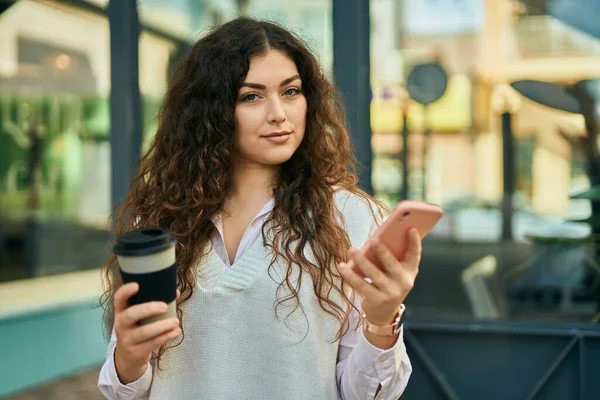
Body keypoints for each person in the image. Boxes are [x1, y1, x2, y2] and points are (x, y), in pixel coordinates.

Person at [98, 16, 422, 400]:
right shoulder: (160, 222)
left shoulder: (350, 218)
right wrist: (129, 357)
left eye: (291, 91)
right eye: (251, 96)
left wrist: (382, 322)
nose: (278, 113)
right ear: (211, 112)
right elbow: (125, 391)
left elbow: (367, 395)